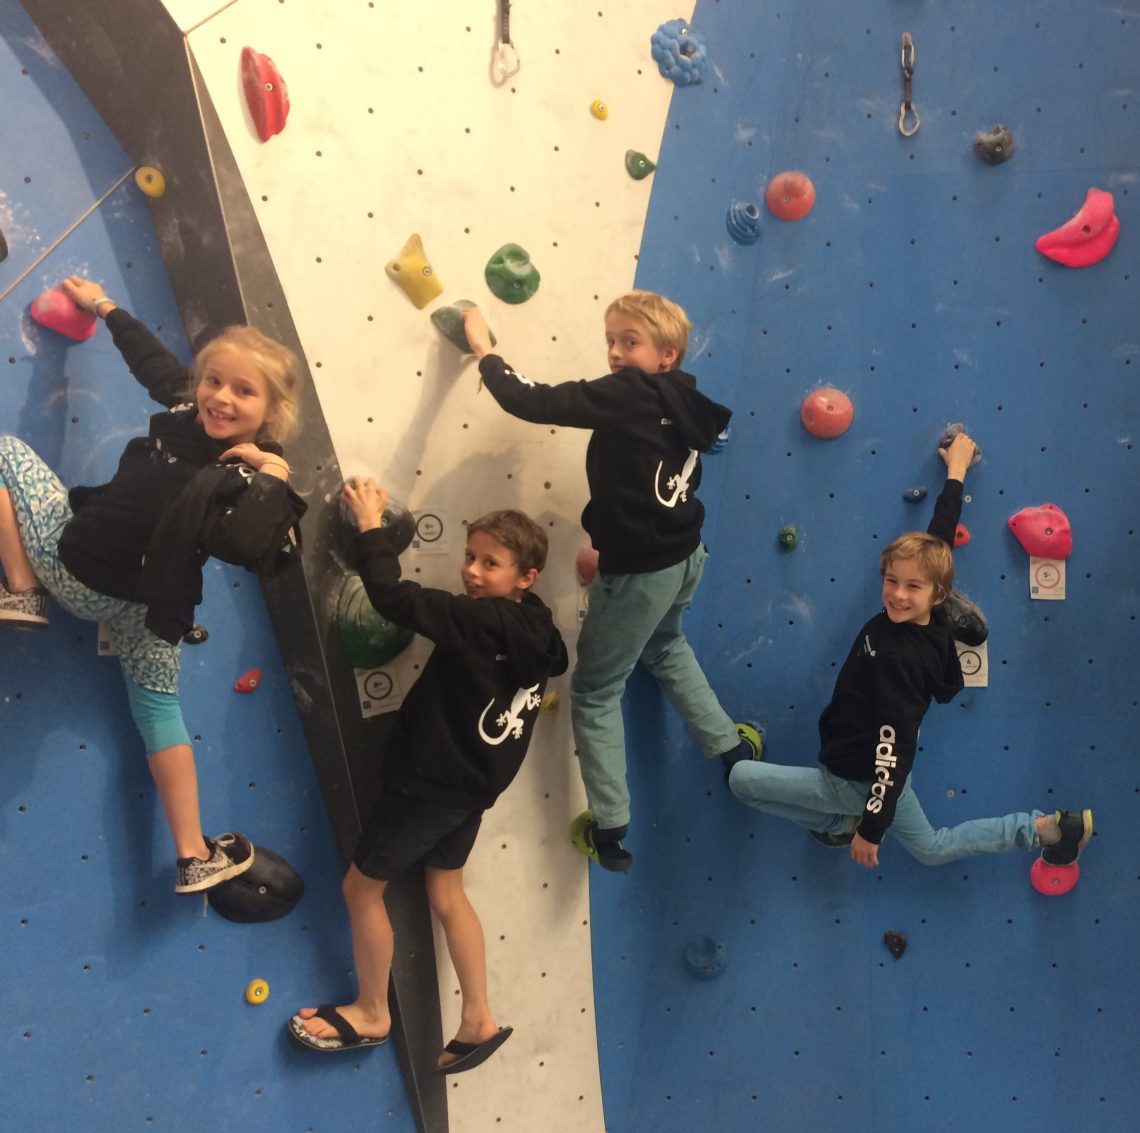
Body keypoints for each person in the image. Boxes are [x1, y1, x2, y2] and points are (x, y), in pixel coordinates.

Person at [0, 275, 305, 892]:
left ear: (271, 413)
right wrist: (105, 306)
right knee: (160, 708)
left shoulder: (242, 478)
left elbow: (251, 545)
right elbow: (152, 359)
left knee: (4, 451)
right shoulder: (186, 407)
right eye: (213, 380)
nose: (220, 398)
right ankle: (193, 853)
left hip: (78, 570)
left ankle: (22, 587)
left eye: (243, 392)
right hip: (146, 606)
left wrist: (271, 476)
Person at [461, 291, 759, 873]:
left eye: (631, 342)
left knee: (596, 694)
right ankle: (731, 748)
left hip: (641, 573)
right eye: (612, 340)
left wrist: (484, 351)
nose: (617, 353)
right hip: (684, 557)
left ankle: (613, 823)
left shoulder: (629, 394)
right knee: (667, 647)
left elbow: (531, 400)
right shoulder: (686, 397)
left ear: (666, 354)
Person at [290, 483, 568, 1073]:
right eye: (469, 556)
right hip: (472, 788)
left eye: (489, 563)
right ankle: (478, 1018)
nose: (470, 571)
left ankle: (371, 1011)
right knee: (446, 892)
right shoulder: (539, 627)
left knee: (360, 890)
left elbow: (393, 597)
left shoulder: (478, 622)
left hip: (429, 784)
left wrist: (369, 525)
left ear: (527, 576)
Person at [726, 431, 1093, 871]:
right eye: (892, 582)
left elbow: (892, 750)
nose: (897, 595)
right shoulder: (931, 614)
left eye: (912, 587)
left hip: (860, 779)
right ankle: (1044, 828)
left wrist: (870, 829)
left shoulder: (900, 659)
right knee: (932, 846)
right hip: (875, 772)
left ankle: (840, 825)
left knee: (742, 779)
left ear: (938, 594)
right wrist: (956, 470)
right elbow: (940, 536)